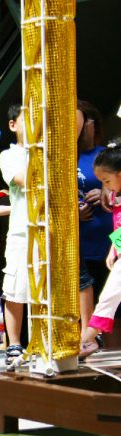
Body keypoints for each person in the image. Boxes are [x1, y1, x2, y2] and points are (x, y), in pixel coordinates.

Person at [81, 141, 121, 358]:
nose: (106, 185)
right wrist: (114, 249)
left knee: (108, 297)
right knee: (108, 297)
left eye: (107, 180)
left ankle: (85, 340)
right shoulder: (116, 194)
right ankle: (86, 340)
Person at [0, 103, 30, 364]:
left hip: (50, 229)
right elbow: (25, 179)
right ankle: (15, 344)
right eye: (27, 118)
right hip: (21, 230)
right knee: (15, 287)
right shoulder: (9, 156)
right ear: (13, 125)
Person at [76, 100, 109, 338]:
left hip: (109, 240)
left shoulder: (106, 155)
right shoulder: (63, 157)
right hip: (79, 242)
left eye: (82, 120)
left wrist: (107, 191)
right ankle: (87, 341)